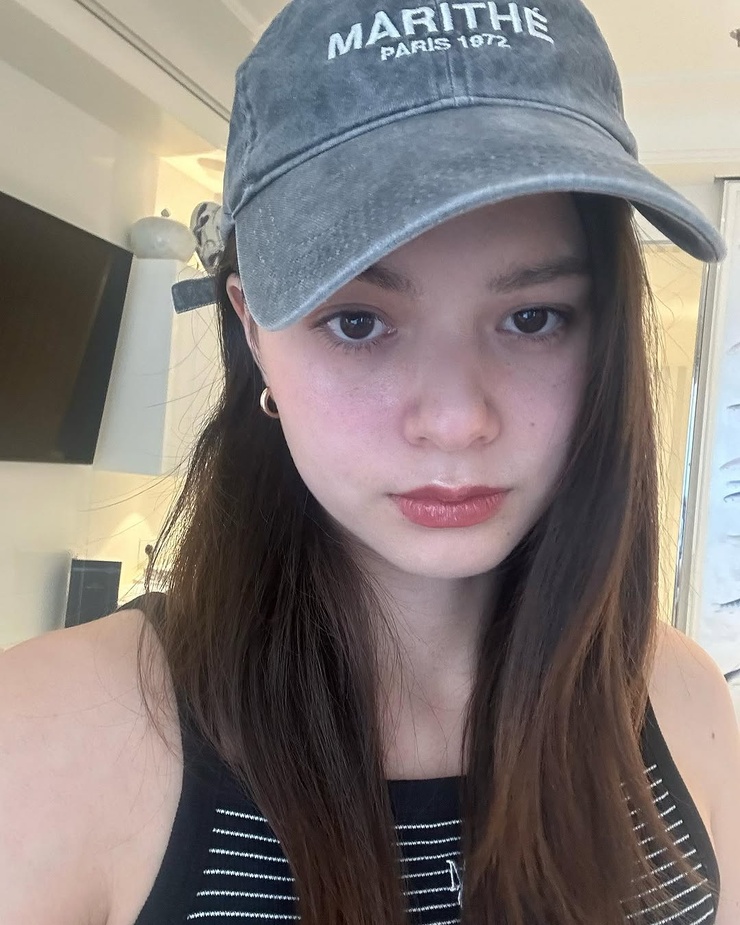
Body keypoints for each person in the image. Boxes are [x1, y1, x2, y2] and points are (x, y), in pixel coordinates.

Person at [1, 0, 739, 923]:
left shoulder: (681, 701)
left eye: (533, 317)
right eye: (357, 321)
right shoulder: (48, 738)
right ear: (252, 332)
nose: (456, 420)